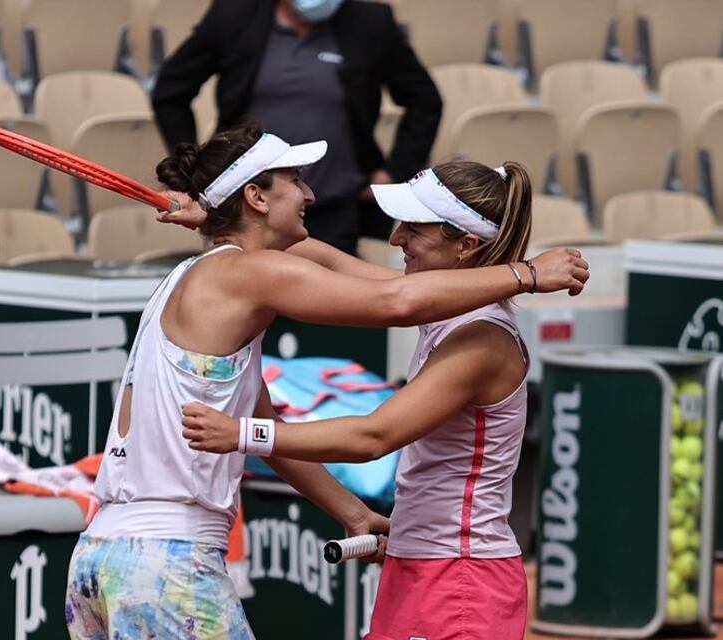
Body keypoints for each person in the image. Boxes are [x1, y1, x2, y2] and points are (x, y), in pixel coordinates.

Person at [66, 122, 587, 639]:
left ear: (467, 244)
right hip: (166, 565)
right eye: (295, 180)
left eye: (413, 226)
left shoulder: (201, 275)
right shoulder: (247, 275)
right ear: (255, 197)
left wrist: (350, 510)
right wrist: (528, 274)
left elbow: (349, 279)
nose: (311, 194)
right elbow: (396, 302)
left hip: (100, 559)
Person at [181, 159, 547, 639]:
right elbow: (325, 260)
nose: (395, 239)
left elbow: (374, 436)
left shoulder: (483, 338)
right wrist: (222, 221)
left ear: (465, 246)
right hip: (426, 568)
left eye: (413, 228)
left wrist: (243, 434)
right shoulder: (445, 307)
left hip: (459, 580)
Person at [151, 0, 442, 255]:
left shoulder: (370, 22)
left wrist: (395, 170)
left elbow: (425, 100)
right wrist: (198, 173)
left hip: (335, 208)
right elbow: (171, 92)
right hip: (245, 213)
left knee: (330, 293)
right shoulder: (234, 15)